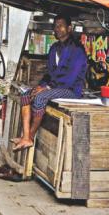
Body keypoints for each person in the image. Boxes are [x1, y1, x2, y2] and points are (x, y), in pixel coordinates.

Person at [12, 14, 87, 151]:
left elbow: (70, 78)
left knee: (40, 98)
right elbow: (49, 74)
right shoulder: (54, 48)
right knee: (27, 95)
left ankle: (30, 137)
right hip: (55, 87)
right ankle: (25, 136)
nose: (57, 29)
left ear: (69, 28)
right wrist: (41, 85)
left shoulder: (77, 50)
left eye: (60, 26)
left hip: (71, 90)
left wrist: (47, 88)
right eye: (55, 26)